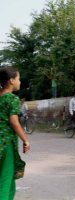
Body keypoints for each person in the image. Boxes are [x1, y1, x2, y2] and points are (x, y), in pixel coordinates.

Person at [0, 67, 30, 200]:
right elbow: (14, 122)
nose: (20, 82)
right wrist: (25, 140)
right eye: (18, 79)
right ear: (11, 81)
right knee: (5, 180)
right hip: (5, 144)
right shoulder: (12, 98)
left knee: (8, 177)